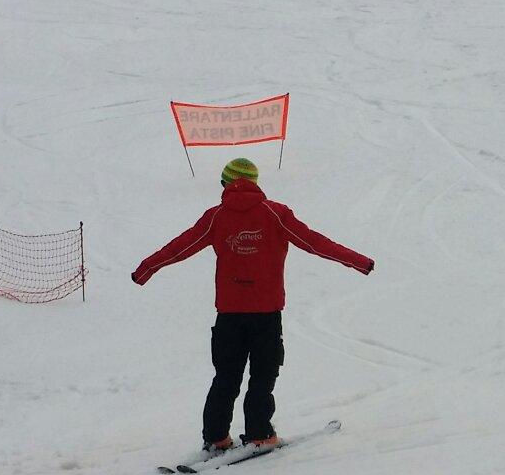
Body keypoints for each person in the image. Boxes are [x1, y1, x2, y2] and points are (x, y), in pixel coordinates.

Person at [131, 157, 374, 455]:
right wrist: (358, 261)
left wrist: (145, 269)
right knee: (262, 377)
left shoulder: (215, 217)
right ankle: (260, 435)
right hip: (266, 315)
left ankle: (216, 438)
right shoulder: (276, 214)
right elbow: (313, 242)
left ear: (226, 183)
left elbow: (179, 247)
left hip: (229, 316)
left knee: (225, 377)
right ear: (255, 183)